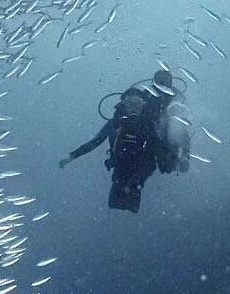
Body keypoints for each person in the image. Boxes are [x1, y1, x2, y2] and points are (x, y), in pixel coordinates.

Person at [59, 68, 189, 212]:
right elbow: (96, 141)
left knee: (134, 187)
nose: (134, 107)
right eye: (130, 103)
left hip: (143, 163)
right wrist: (71, 156)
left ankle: (130, 214)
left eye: (138, 103)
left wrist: (179, 159)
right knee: (117, 197)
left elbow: (159, 144)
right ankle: (121, 220)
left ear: (144, 105)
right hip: (121, 162)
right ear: (123, 105)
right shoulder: (117, 122)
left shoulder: (147, 123)